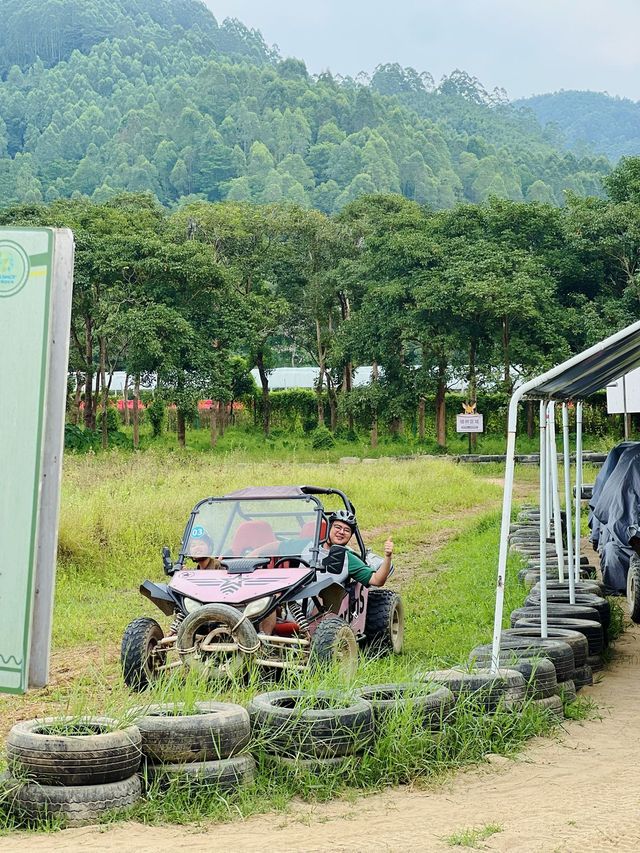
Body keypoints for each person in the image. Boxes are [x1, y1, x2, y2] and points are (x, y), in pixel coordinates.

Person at [320, 510, 393, 587]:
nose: (341, 532)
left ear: (350, 536)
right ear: (328, 528)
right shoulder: (310, 547)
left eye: (347, 530)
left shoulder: (348, 559)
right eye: (338, 527)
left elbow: (377, 580)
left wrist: (388, 557)